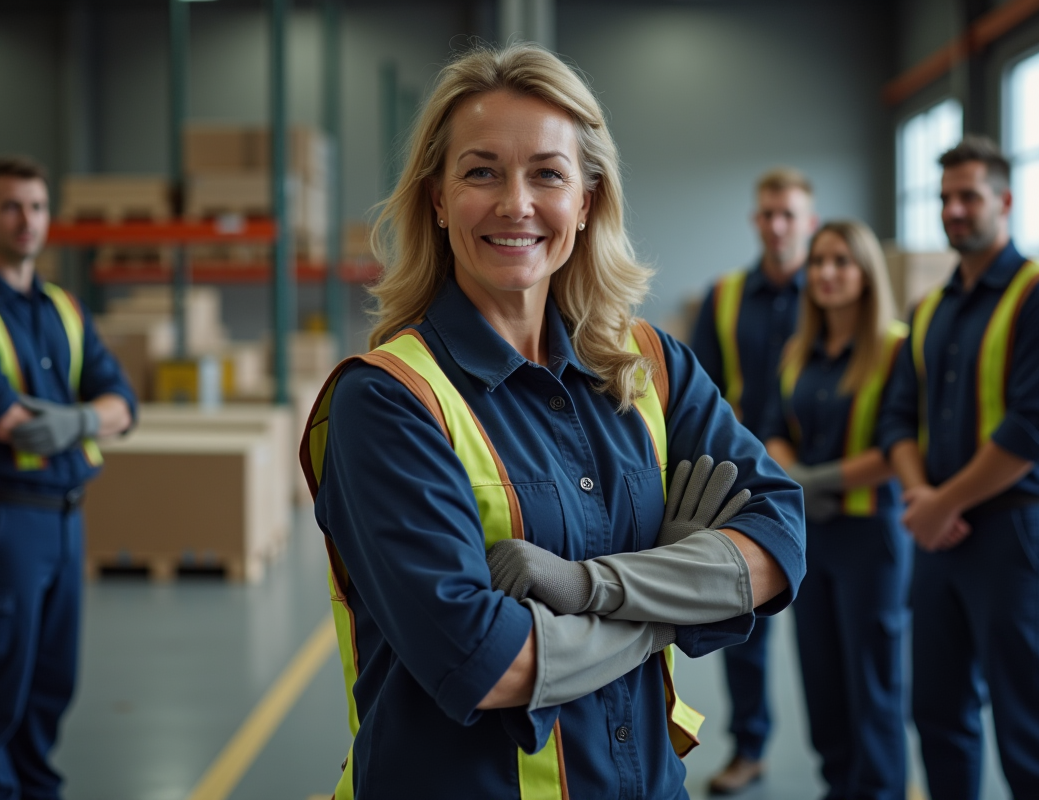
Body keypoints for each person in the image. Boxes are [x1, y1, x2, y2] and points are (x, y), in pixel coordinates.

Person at [298, 44, 806, 799]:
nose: (516, 203)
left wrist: (590, 586)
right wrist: (675, 600)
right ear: (437, 198)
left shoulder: (650, 367)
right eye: (480, 171)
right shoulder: (390, 403)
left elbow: (781, 539)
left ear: (588, 198)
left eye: (547, 173)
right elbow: (482, 663)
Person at [877, 136, 1039, 800]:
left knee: (1023, 711)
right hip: (936, 534)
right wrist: (920, 496)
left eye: (968, 196)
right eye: (945, 199)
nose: (954, 210)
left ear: (1004, 200)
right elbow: (896, 418)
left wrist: (943, 504)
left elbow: (1032, 431)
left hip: (1014, 533)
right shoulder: (932, 309)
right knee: (938, 710)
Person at [0, 156, 136, 800]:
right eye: (11, 207)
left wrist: (74, 418)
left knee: (52, 685)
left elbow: (123, 404)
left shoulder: (64, 309)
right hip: (3, 522)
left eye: (37, 207)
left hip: (64, 519)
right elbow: (8, 422)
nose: (27, 221)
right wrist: (87, 420)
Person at [762, 220, 911, 800]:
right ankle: (838, 786)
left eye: (842, 262)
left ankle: (880, 790)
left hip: (870, 535)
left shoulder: (897, 348)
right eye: (819, 261)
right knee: (820, 677)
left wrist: (811, 479)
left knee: (871, 682)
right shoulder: (798, 352)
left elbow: (902, 444)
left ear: (866, 273)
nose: (826, 273)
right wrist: (796, 478)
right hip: (810, 536)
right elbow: (772, 428)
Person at [689, 167, 818, 794]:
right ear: (755, 220)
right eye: (767, 213)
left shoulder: (832, 289)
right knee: (744, 623)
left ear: (808, 222)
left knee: (832, 640)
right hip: (745, 484)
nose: (777, 225)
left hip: (818, 484)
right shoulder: (726, 296)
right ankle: (750, 749)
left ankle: (846, 766)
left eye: (789, 214)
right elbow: (701, 393)